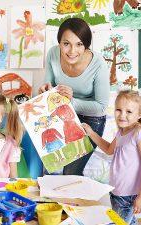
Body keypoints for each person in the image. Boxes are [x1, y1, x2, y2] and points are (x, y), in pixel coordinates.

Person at [39, 17, 110, 175]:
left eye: (79, 44)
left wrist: (71, 102)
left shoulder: (98, 63)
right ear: (59, 43)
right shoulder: (52, 54)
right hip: (62, 115)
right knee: (49, 168)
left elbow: (102, 106)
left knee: (71, 172)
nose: (72, 51)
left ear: (86, 45)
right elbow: (49, 83)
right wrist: (46, 90)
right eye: (66, 44)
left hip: (91, 120)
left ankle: (73, 200)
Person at [82, 88, 141, 225]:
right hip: (117, 191)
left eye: (129, 112)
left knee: (119, 223)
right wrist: (91, 133)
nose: (122, 115)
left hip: (129, 195)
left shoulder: (140, 135)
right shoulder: (121, 133)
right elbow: (109, 149)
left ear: (140, 114)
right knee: (129, 222)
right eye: (118, 110)